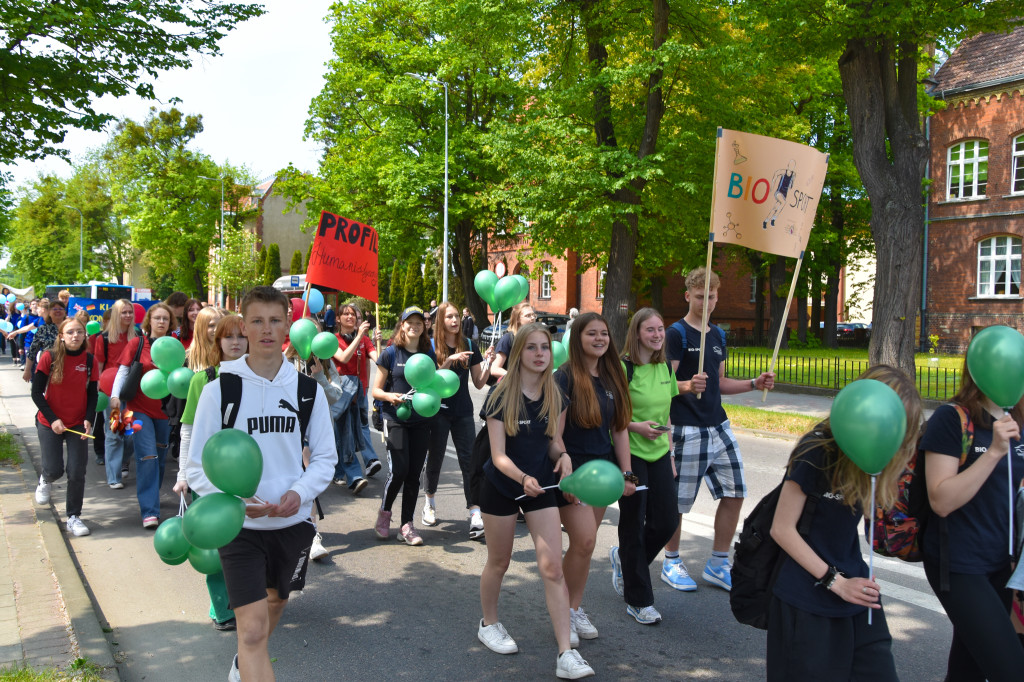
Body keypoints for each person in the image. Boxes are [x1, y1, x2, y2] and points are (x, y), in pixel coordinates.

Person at [185, 285, 336, 682]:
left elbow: (325, 459)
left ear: (288, 324)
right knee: (251, 632)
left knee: (275, 604)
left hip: (292, 524)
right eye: (256, 321)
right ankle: (248, 657)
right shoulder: (220, 389)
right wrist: (230, 496)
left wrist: (299, 493)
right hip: (241, 527)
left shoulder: (307, 391)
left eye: (274, 320)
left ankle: (245, 662)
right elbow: (196, 464)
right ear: (243, 326)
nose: (266, 329)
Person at [768, 365, 922, 680]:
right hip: (808, 596)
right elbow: (781, 529)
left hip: (856, 590)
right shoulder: (817, 449)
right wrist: (835, 582)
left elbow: (877, 530)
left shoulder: (875, 456)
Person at [476, 321, 594, 679]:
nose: (541, 354)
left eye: (545, 347)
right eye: (532, 348)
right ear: (518, 353)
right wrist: (521, 478)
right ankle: (489, 623)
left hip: (541, 485)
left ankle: (565, 654)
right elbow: (498, 456)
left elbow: (553, 441)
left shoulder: (557, 394)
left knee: (552, 568)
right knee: (499, 561)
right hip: (502, 484)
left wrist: (564, 457)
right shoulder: (500, 394)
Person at [661, 267, 775, 592]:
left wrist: (754, 383)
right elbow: (661, 384)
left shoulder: (718, 335)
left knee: (736, 491)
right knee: (679, 502)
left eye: (710, 296)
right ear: (688, 296)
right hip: (686, 428)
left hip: (718, 426)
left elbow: (720, 383)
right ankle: (671, 561)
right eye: (699, 296)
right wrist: (685, 384)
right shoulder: (676, 334)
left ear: (716, 296)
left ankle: (717, 562)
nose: (705, 302)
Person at [920, 350, 1024, 681]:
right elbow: (941, 500)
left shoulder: (1019, 417)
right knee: (1010, 669)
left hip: (1004, 565)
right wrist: (993, 452)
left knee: (969, 667)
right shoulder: (952, 419)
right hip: (960, 565)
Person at [553, 312, 633, 641]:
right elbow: (554, 436)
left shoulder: (614, 375)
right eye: (591, 334)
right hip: (576, 472)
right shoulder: (564, 376)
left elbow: (621, 429)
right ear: (578, 339)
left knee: (585, 545)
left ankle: (573, 608)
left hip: (604, 471)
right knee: (585, 540)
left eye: (604, 333)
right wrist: (566, 473)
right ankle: (564, 613)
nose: (599, 339)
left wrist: (626, 472)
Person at [174, 313, 246, 632]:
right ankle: (223, 608)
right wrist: (183, 474)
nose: (234, 342)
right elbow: (187, 431)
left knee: (250, 542)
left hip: (249, 474)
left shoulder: (264, 381)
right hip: (209, 474)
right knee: (218, 542)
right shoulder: (201, 381)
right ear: (217, 342)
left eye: (241, 336)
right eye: (227, 336)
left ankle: (246, 600)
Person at [608, 308, 679, 624]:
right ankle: (638, 600)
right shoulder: (624, 368)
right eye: (650, 329)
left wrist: (672, 455)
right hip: (631, 454)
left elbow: (668, 414)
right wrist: (639, 427)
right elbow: (614, 419)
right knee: (635, 521)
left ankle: (626, 561)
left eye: (661, 329)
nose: (657, 334)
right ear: (637, 333)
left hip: (660, 453)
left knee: (666, 521)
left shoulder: (665, 366)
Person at [421, 301, 494, 538]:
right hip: (438, 411)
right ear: (441, 320)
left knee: (470, 461)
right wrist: (451, 360)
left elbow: (479, 383)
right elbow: (432, 381)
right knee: (436, 458)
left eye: (457, 317)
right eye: (449, 317)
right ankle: (429, 501)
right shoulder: (431, 346)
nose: (455, 320)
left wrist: (488, 363)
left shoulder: (470, 344)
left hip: (463, 411)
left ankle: (474, 512)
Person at [372, 306, 437, 545]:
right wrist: (392, 397)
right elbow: (375, 390)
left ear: (424, 327)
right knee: (398, 470)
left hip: (421, 421)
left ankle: (406, 525)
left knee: (413, 474)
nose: (415, 326)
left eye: (419, 322)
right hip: (395, 418)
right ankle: (384, 513)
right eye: (410, 322)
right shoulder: (390, 353)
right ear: (402, 325)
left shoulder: (428, 355)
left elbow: (433, 386)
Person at [108, 302, 174, 529]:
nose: (162, 322)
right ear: (149, 321)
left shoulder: (174, 346)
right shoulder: (138, 343)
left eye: (166, 318)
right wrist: (115, 396)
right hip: (137, 408)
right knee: (147, 457)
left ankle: (151, 493)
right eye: (158, 318)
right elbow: (124, 370)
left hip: (166, 411)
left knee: (160, 456)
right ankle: (149, 510)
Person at [32, 317, 99, 537]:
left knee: (77, 471)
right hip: (48, 421)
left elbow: (92, 394)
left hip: (78, 422)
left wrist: (90, 418)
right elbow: (36, 393)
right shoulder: (49, 358)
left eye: (79, 332)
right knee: (54, 469)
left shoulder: (90, 361)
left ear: (84, 335)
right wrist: (53, 420)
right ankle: (46, 479)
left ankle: (73, 517)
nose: (75, 336)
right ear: (61, 336)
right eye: (70, 332)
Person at [331, 303, 382, 489]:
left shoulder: (364, 340)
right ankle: (354, 476)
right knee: (345, 432)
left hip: (359, 390)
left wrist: (377, 345)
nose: (350, 317)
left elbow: (379, 360)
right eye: (345, 314)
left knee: (354, 431)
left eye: (353, 314)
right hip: (341, 391)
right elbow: (343, 358)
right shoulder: (333, 339)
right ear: (338, 319)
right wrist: (359, 335)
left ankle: (338, 471)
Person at [95, 299, 137, 489]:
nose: (128, 316)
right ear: (116, 314)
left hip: (132, 392)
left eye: (130, 312)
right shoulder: (103, 338)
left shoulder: (137, 336)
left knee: (128, 433)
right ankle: (114, 477)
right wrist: (97, 387)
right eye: (123, 312)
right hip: (112, 393)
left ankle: (123, 461)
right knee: (113, 432)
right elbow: (100, 366)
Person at [489, 302, 537, 380]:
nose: (532, 318)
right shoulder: (508, 338)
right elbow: (495, 369)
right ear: (518, 319)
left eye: (533, 315)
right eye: (528, 316)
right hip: (510, 388)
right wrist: (517, 379)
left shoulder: (533, 340)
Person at [23, 298, 68, 381]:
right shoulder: (43, 329)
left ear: (64, 312)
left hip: (69, 369)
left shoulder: (71, 328)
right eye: (54, 309)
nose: (58, 311)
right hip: (47, 369)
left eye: (60, 309)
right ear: (49, 313)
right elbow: (32, 351)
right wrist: (27, 370)